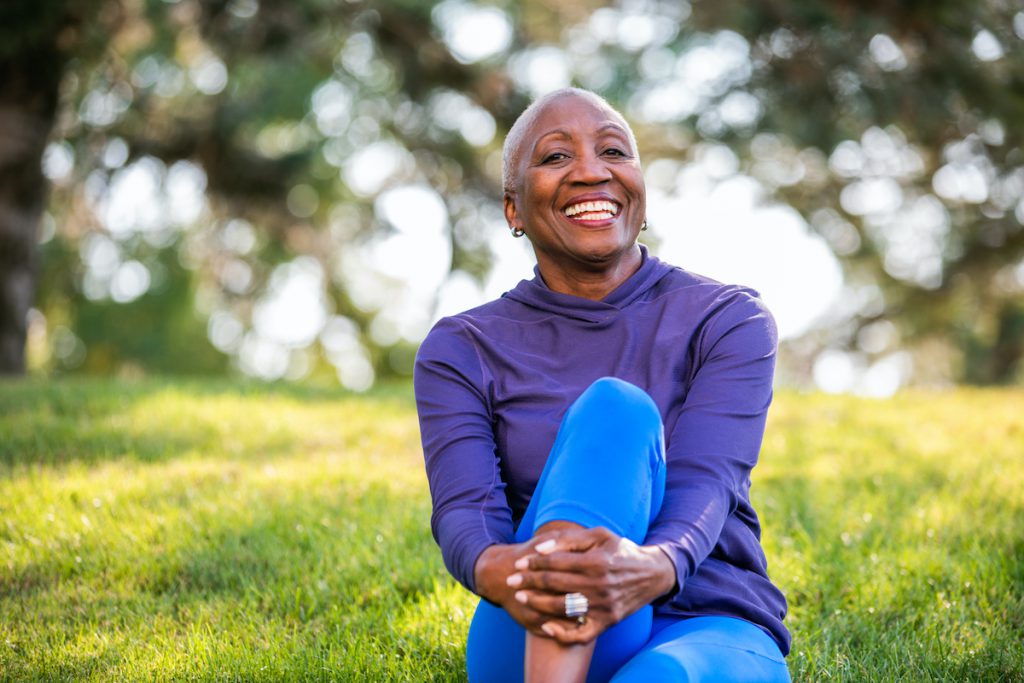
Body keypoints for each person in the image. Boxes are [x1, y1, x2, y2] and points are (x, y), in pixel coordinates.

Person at [414, 87, 790, 682]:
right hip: (528, 620)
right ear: (513, 209)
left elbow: (709, 481)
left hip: (708, 623)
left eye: (613, 152)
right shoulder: (462, 347)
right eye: (555, 158)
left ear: (639, 189)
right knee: (616, 412)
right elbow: (467, 512)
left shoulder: (726, 319)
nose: (591, 171)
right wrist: (541, 580)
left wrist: (651, 567)